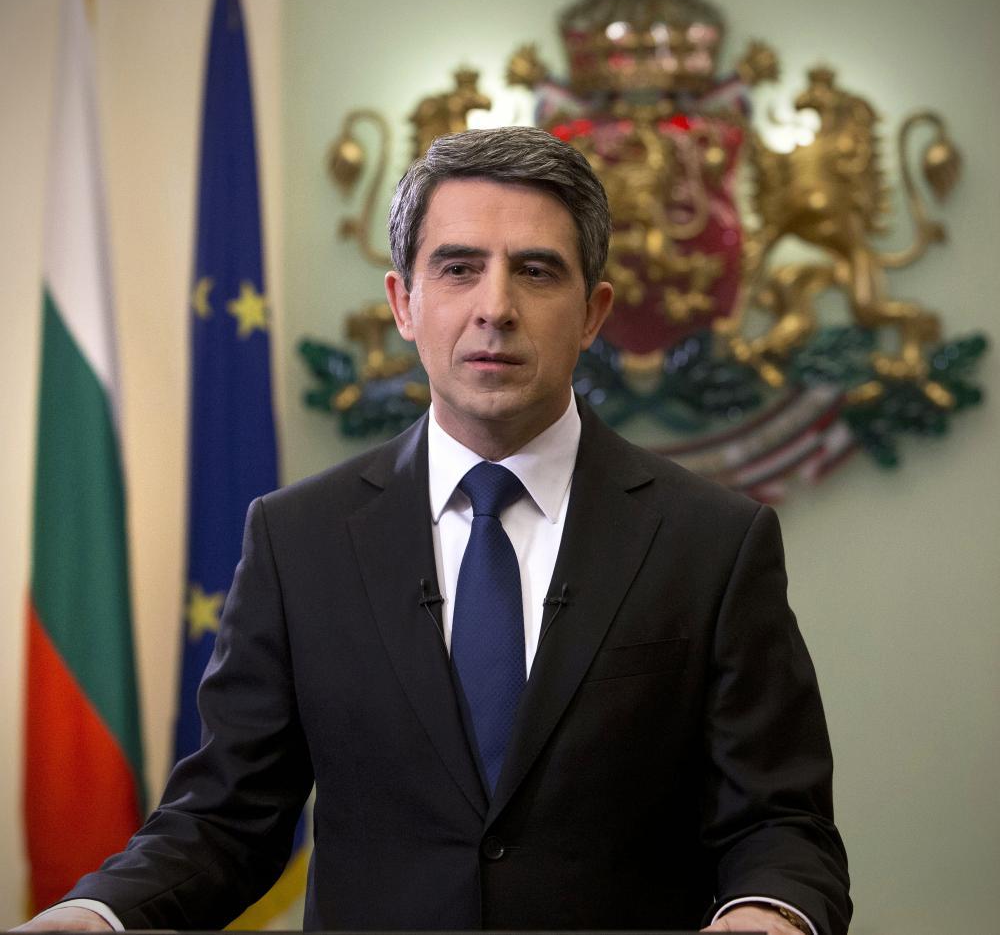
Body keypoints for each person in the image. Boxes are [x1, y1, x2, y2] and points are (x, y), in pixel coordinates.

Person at [20, 127, 851, 935]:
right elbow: (226, 818)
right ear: (403, 303)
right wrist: (100, 912)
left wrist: (768, 912)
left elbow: (781, 823)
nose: (496, 308)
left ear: (593, 312)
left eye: (536, 271)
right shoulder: (297, 539)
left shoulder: (712, 541)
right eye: (458, 268)